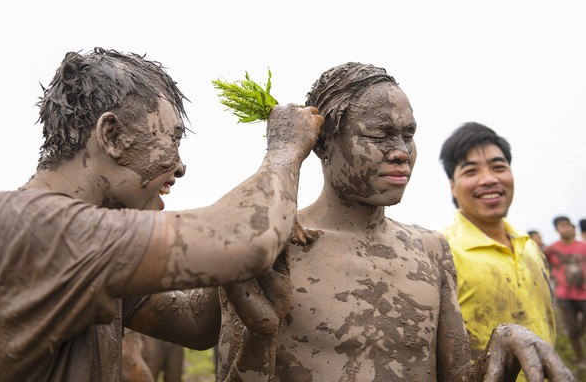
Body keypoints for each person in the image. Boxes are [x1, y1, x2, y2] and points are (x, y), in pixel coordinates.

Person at [0, 48, 324, 381]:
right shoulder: (30, 228)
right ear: (112, 136)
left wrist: (238, 276)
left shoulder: (77, 250)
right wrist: (285, 150)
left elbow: (194, 324)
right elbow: (248, 238)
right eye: (172, 140)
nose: (181, 166)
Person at [215, 62, 574, 381]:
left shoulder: (430, 250)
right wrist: (259, 335)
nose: (401, 151)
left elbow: (456, 376)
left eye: (409, 134)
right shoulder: (274, 248)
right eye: (378, 135)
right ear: (322, 143)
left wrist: (504, 344)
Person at [438, 122, 557, 379]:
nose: (489, 179)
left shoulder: (531, 248)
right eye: (471, 171)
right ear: (452, 186)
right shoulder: (442, 251)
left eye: (499, 167)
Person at [544, 216, 586, 364]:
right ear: (557, 229)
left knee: (580, 328)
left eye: (569, 225)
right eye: (563, 226)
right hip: (564, 295)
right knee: (572, 330)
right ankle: (581, 359)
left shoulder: (582, 246)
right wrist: (552, 275)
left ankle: (581, 334)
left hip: (584, 293)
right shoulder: (552, 248)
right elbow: (542, 260)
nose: (567, 228)